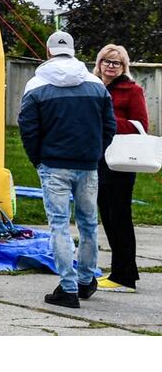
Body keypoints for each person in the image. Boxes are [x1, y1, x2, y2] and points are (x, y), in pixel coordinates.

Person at [18, 31, 116, 309]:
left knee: (59, 225)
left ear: (48, 52)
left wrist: (38, 159)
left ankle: (68, 288)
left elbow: (28, 128)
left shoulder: (36, 84)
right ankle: (86, 280)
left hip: (53, 164)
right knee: (88, 223)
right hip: (87, 164)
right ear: (73, 51)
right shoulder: (96, 84)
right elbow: (109, 126)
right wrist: (95, 153)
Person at [92, 43, 149, 293]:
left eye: (116, 62)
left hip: (122, 162)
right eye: (107, 61)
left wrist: (107, 121)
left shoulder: (132, 90)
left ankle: (124, 276)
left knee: (120, 218)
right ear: (99, 63)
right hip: (99, 159)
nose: (111, 66)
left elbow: (140, 126)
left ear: (124, 66)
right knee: (107, 216)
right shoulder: (93, 86)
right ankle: (121, 270)